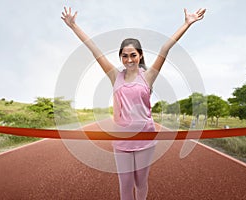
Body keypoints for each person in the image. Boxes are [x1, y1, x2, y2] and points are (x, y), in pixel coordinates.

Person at [61, 6, 206, 200]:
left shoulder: (149, 76)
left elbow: (165, 48)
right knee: (126, 184)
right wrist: (73, 26)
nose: (129, 60)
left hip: (145, 139)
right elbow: (94, 49)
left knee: (140, 183)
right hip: (121, 140)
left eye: (133, 55)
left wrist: (187, 24)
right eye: (125, 56)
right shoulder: (115, 76)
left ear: (140, 56)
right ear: (120, 57)